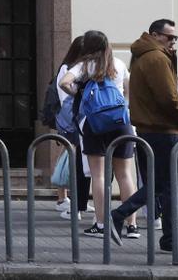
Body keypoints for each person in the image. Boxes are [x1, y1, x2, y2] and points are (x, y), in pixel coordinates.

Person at [108, 19, 178, 255]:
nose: (173, 41)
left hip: (150, 129)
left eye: (175, 38)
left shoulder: (143, 54)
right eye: (169, 37)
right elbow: (167, 98)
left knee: (158, 185)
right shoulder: (156, 58)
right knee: (171, 186)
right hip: (163, 129)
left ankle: (120, 216)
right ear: (155, 35)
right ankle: (168, 239)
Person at [59, 30, 138, 240]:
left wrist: (80, 94)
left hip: (95, 124)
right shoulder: (119, 64)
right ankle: (132, 225)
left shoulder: (83, 66)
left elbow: (64, 83)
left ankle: (102, 224)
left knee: (99, 175)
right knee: (125, 174)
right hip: (121, 123)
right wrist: (124, 106)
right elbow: (130, 90)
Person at [52, 35, 93, 221]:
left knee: (74, 158)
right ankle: (63, 197)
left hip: (81, 118)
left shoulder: (84, 69)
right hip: (72, 118)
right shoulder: (68, 69)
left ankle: (73, 198)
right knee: (69, 156)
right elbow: (64, 98)